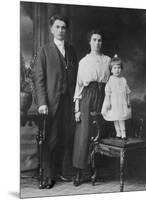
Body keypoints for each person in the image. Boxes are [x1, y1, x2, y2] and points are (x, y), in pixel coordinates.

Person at [34, 14, 78, 189]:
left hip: (69, 102)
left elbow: (76, 77)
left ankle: (62, 171)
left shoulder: (72, 50)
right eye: (57, 27)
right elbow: (39, 79)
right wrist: (42, 102)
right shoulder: (44, 51)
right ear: (51, 29)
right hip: (51, 103)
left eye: (63, 27)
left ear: (66, 30)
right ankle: (46, 176)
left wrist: (77, 101)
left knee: (66, 137)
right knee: (50, 139)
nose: (60, 30)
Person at [72, 30, 111, 186]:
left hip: (104, 96)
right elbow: (79, 85)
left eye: (100, 40)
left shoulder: (108, 60)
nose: (97, 43)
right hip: (88, 96)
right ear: (89, 42)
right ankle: (79, 172)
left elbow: (112, 81)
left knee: (102, 132)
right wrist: (77, 108)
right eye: (94, 40)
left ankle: (99, 170)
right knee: (84, 133)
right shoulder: (84, 61)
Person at [101, 54, 132, 140]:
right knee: (115, 118)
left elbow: (128, 92)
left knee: (121, 118)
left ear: (121, 69)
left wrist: (128, 101)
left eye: (118, 68)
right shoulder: (110, 80)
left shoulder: (123, 80)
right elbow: (107, 92)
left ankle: (123, 134)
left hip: (122, 102)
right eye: (114, 68)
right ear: (111, 70)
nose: (117, 70)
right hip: (114, 103)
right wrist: (108, 103)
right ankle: (118, 133)